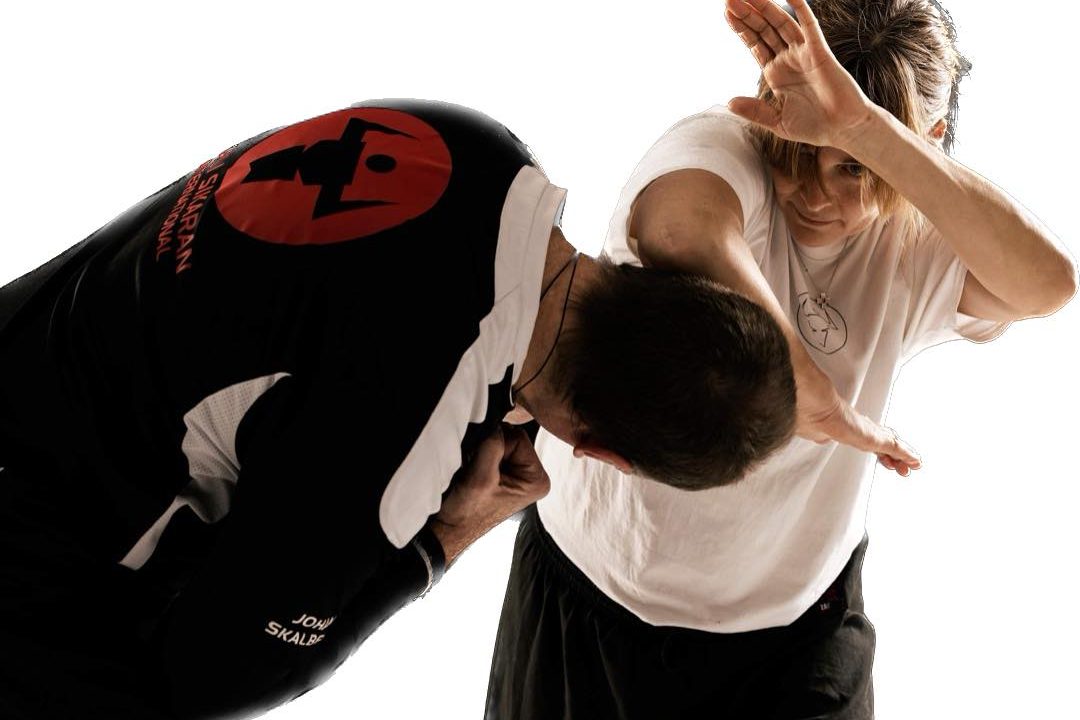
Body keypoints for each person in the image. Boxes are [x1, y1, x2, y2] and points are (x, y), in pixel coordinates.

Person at [0, 98, 796, 719]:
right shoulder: (397, 443)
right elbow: (208, 679)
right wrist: (439, 543)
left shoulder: (485, 148)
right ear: (599, 453)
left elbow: (382, 305)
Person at [486, 1, 1078, 718]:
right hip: (591, 592)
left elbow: (1048, 285)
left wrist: (865, 128)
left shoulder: (914, 241)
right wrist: (803, 383)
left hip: (797, 637)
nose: (814, 193)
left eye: (851, 169)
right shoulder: (720, 141)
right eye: (796, 155)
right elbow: (680, 229)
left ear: (919, 141)